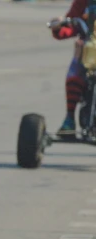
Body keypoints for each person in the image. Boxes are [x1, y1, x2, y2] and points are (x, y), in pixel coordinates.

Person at [49, 0, 89, 137]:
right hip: (89, 53)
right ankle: (69, 118)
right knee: (75, 71)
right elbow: (72, 24)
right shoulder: (84, 2)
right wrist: (59, 25)